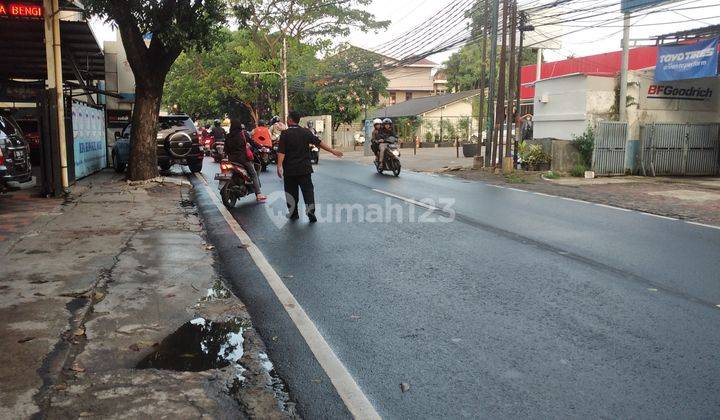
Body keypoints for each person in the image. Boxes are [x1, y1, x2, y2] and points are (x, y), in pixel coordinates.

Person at [277, 110, 343, 222]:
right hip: (305, 169)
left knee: (291, 193)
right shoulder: (306, 132)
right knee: (308, 191)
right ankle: (310, 211)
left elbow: (281, 152)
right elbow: (319, 142)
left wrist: (279, 166)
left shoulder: (285, 134)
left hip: (290, 170)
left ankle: (293, 213)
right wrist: (332, 150)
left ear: (290, 120)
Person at [224, 119, 266, 203]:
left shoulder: (228, 136)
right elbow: (252, 142)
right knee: (253, 174)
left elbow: (226, 149)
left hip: (231, 159)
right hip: (243, 159)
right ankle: (258, 194)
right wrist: (261, 147)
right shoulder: (243, 134)